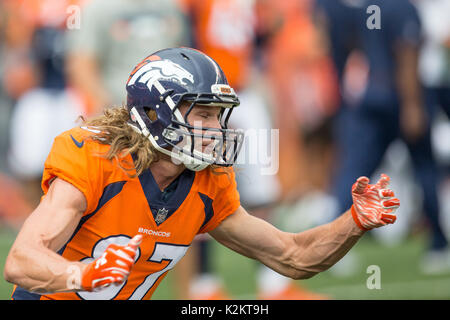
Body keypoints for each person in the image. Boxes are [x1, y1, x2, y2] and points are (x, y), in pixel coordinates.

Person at [4, 47, 400, 300]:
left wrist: (353, 223)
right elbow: (20, 261)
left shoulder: (209, 182)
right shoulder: (95, 159)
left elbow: (293, 256)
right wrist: (83, 274)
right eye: (204, 114)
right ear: (155, 113)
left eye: (218, 116)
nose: (216, 129)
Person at [315, 0, 448, 273]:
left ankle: (331, 245)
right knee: (424, 168)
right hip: (397, 96)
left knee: (354, 173)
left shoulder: (368, 7)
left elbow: (352, 44)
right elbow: (406, 53)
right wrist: (412, 105)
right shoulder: (402, 8)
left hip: (369, 95)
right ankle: (438, 243)